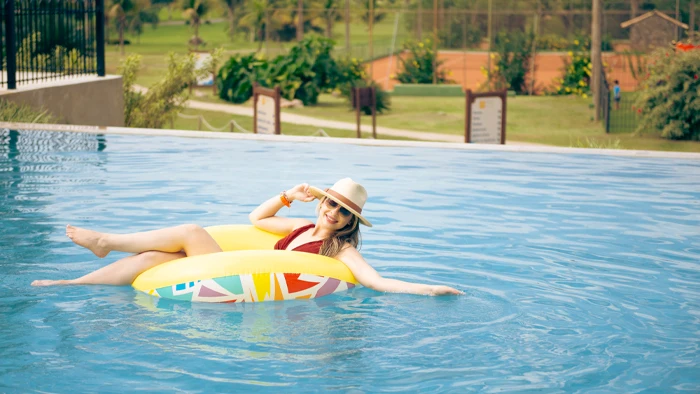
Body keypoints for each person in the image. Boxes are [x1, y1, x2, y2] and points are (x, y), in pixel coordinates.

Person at [32, 178, 463, 297]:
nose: (332, 212)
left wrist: (429, 289)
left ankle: (106, 241)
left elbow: (376, 281)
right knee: (149, 262)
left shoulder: (340, 248)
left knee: (190, 231)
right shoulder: (298, 228)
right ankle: (70, 285)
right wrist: (289, 195)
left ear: (351, 221)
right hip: (228, 266)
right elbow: (256, 217)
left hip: (232, 271)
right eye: (330, 204)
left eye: (342, 211)